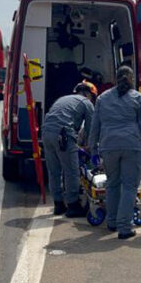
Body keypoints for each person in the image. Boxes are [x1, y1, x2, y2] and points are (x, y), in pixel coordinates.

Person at [88, 66, 141, 240]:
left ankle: (111, 222)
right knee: (129, 186)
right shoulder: (138, 98)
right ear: (131, 79)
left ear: (115, 78)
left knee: (112, 184)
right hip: (132, 146)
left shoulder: (103, 98)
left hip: (108, 146)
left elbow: (95, 126)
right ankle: (124, 227)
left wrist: (94, 149)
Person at [41, 81, 97, 217]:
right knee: (71, 170)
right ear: (90, 94)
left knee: (54, 171)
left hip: (46, 134)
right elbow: (91, 130)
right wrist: (90, 149)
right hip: (63, 136)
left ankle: (58, 204)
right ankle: (73, 205)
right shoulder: (86, 103)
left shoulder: (63, 99)